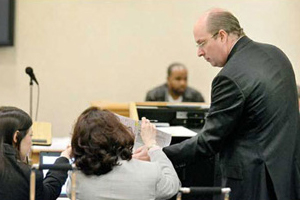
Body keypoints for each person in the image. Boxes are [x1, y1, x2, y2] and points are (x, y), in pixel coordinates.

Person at [134, 8, 300, 200]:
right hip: (287, 179)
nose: (199, 52)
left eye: (201, 43)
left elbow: (207, 143)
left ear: (222, 36)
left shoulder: (229, 77)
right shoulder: (276, 54)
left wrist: (157, 153)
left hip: (253, 185)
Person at [66, 107, 180, 200]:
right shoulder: (149, 171)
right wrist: (152, 145)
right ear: (119, 134)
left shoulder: (76, 177)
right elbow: (172, 186)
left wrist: (67, 157)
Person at [0, 106, 71, 200]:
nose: (31, 142)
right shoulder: (28, 175)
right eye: (30, 135)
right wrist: (64, 158)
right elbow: (48, 193)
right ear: (16, 137)